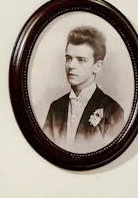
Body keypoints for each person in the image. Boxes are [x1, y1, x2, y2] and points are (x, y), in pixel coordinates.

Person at [42, 25, 125, 153]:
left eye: (81, 60)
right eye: (68, 58)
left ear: (97, 66)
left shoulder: (112, 111)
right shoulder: (56, 108)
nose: (71, 65)